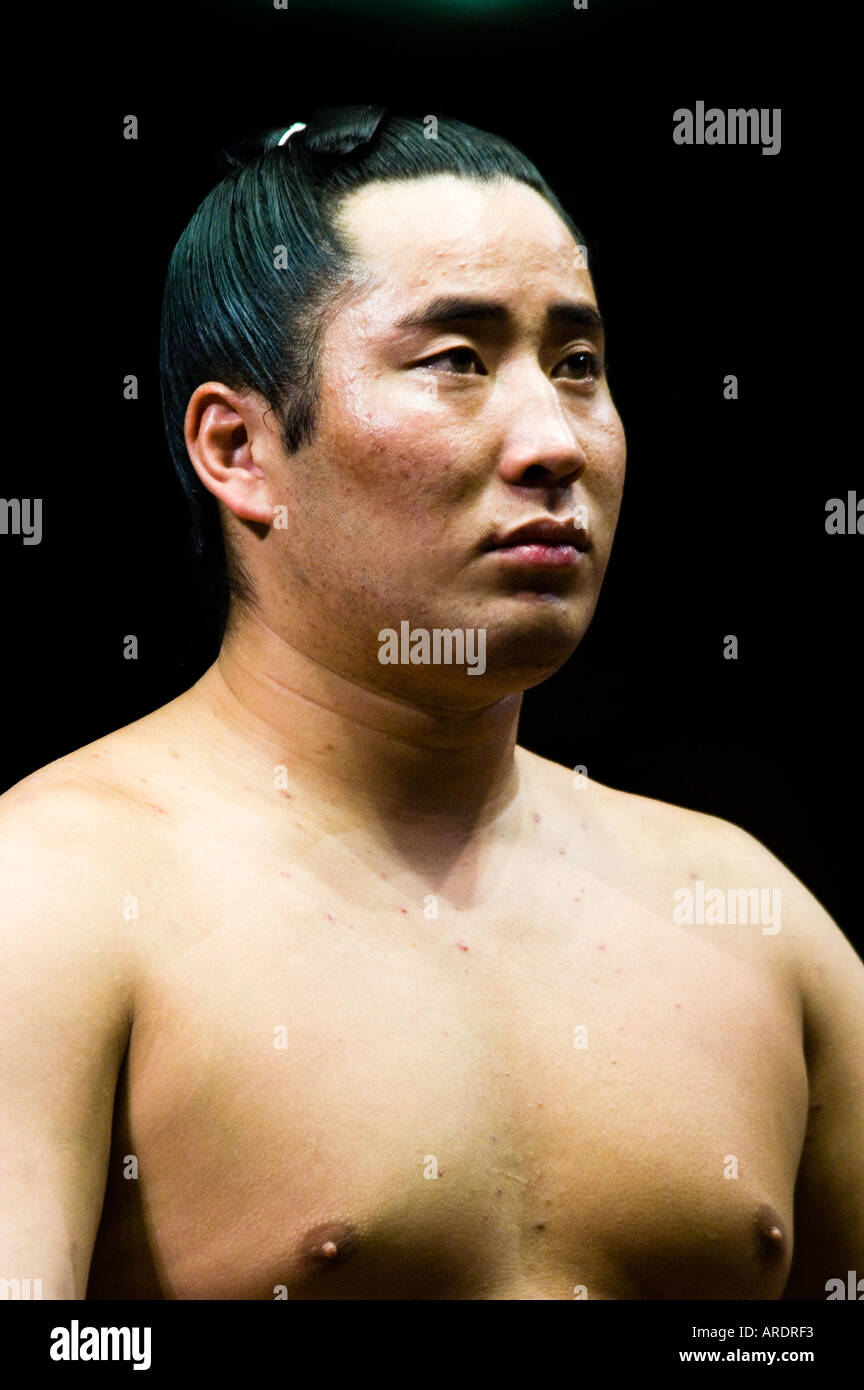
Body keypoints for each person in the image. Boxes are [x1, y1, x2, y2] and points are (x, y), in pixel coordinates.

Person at [2, 106, 861, 1301]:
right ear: (239, 448)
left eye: (579, 364)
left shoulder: (757, 917)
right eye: (456, 359)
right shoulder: (50, 901)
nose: (555, 440)